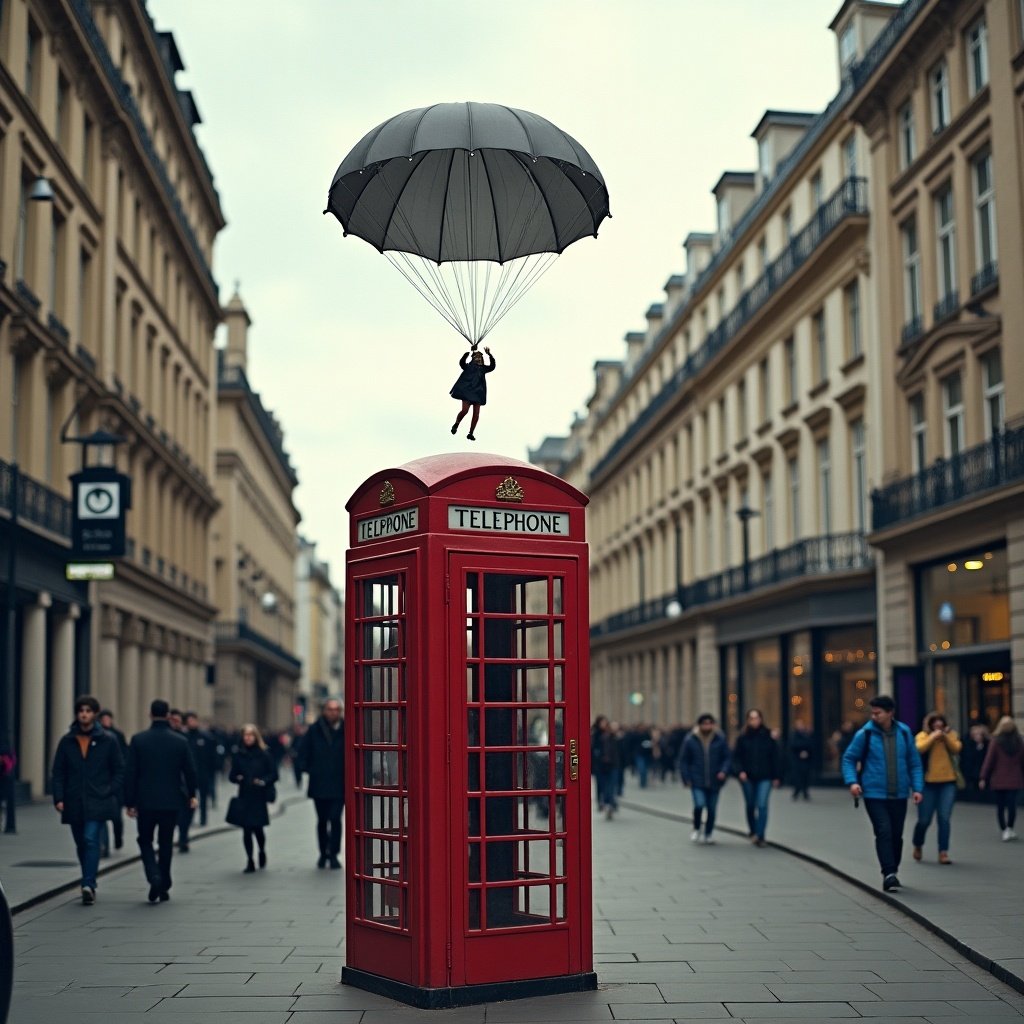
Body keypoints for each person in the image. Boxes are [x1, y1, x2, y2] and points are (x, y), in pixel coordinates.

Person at [842, 695, 923, 892]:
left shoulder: (904, 733)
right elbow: (849, 759)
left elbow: (914, 763)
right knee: (884, 831)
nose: (874, 716)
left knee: (896, 834)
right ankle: (888, 873)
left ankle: (893, 869)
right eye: (872, 712)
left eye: (878, 713)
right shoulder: (865, 734)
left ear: (890, 713)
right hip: (874, 793)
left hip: (899, 793)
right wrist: (852, 782)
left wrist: (918, 788)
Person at [50, 696, 124, 905]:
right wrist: (59, 797)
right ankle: (87, 878)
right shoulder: (67, 741)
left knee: (91, 839)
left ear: (95, 714)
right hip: (74, 800)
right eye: (81, 710)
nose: (84, 714)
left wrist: (110, 790)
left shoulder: (108, 740)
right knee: (81, 842)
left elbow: (119, 769)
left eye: (88, 711)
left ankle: (88, 883)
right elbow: (58, 772)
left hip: (98, 799)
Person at [124, 699, 199, 903]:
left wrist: (129, 802)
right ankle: (164, 881)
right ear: (167, 715)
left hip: (146, 802)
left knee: (145, 840)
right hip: (171, 801)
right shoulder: (180, 741)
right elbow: (190, 772)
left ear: (150, 714)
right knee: (166, 842)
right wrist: (192, 795)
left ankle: (154, 876)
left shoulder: (138, 740)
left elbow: (130, 773)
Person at [296, 698, 345, 868]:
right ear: (324, 711)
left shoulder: (347, 728)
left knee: (335, 819)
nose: (333, 712)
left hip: (340, 784)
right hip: (319, 783)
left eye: (336, 709)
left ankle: (334, 854)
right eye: (330, 709)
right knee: (322, 820)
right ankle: (323, 853)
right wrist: (308, 769)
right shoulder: (314, 729)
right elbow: (302, 752)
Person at [912, 712, 962, 864]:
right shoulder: (922, 736)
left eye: (941, 724)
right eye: (935, 724)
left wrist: (945, 737)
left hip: (948, 782)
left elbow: (956, 748)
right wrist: (932, 737)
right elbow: (919, 748)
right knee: (924, 820)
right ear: (930, 725)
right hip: (928, 784)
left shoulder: (951, 735)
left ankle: (943, 852)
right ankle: (918, 844)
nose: (938, 727)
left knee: (944, 818)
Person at [226, 724, 278, 872]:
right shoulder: (238, 754)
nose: (248, 738)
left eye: (251, 735)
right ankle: (250, 860)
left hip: (259, 796)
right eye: (246, 735)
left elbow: (274, 774)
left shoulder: (265, 754)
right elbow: (231, 776)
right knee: (246, 830)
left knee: (258, 829)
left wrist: (262, 781)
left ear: (256, 737)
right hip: (244, 795)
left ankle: (261, 850)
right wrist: (238, 778)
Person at [732, 709, 783, 847]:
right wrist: (740, 771)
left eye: (757, 718)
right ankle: (753, 830)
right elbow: (736, 758)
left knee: (762, 805)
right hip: (747, 777)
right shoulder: (742, 738)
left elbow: (775, 757)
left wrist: (777, 776)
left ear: (761, 719)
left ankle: (760, 835)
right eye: (752, 718)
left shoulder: (768, 736)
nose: (754, 721)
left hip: (765, 776)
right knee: (750, 805)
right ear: (748, 720)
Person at [677, 713, 731, 844]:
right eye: (704, 723)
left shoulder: (720, 739)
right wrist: (686, 778)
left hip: (715, 780)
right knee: (699, 804)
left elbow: (727, 757)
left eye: (710, 723)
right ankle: (696, 828)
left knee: (712, 808)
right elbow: (683, 761)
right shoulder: (691, 739)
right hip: (697, 779)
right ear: (699, 725)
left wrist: (723, 771)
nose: (707, 726)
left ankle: (708, 833)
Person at [979, 716, 1024, 841]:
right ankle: (1010, 828)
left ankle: (1004, 829)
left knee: (1000, 806)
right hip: (1015, 778)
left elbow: (989, 760)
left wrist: (983, 777)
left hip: (999, 778)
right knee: (1012, 805)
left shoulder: (996, 741)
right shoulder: (1019, 741)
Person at [98, 708, 129, 853]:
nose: (106, 721)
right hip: (101, 784)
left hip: (115, 784)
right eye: (103, 719)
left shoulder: (117, 736)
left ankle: (118, 838)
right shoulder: (96, 737)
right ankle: (104, 846)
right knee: (102, 817)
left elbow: (124, 757)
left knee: (116, 817)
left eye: (108, 719)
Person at [449, 345, 496, 441]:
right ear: (473, 359)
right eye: (477, 357)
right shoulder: (468, 366)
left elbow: (492, 367)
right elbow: (462, 363)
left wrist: (490, 355)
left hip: (478, 393)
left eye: (481, 357)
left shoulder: (483, 369)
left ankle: (471, 433)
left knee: (476, 414)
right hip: (467, 391)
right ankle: (457, 423)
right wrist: (467, 353)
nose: (479, 358)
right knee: (465, 410)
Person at [590, 715, 620, 819]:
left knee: (611, 786)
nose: (604, 724)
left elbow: (618, 751)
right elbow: (591, 751)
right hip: (600, 766)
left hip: (612, 765)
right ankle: (603, 803)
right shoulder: (595, 736)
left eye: (605, 722)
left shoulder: (612, 736)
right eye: (602, 722)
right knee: (601, 786)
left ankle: (610, 804)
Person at [960, 722, 990, 797]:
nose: (977, 736)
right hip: (970, 772)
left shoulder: (987, 745)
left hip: (983, 772)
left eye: (979, 734)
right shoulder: (967, 744)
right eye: (975, 734)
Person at [789, 718, 814, 800]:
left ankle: (805, 791)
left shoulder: (806, 734)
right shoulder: (794, 735)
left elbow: (811, 745)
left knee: (805, 776)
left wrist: (806, 752)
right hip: (797, 759)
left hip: (806, 760)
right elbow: (793, 745)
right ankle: (797, 791)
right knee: (797, 776)